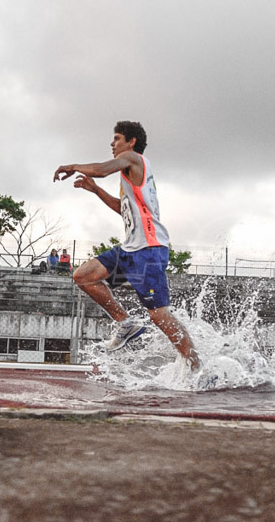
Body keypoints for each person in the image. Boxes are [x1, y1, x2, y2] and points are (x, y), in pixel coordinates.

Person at [53, 120, 200, 370]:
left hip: (149, 250)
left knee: (158, 314)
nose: (112, 143)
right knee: (84, 276)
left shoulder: (133, 158)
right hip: (130, 249)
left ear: (131, 142)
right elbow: (123, 210)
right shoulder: (130, 175)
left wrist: (73, 166)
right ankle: (126, 323)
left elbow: (100, 169)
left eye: (118, 138)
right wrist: (96, 190)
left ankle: (195, 365)